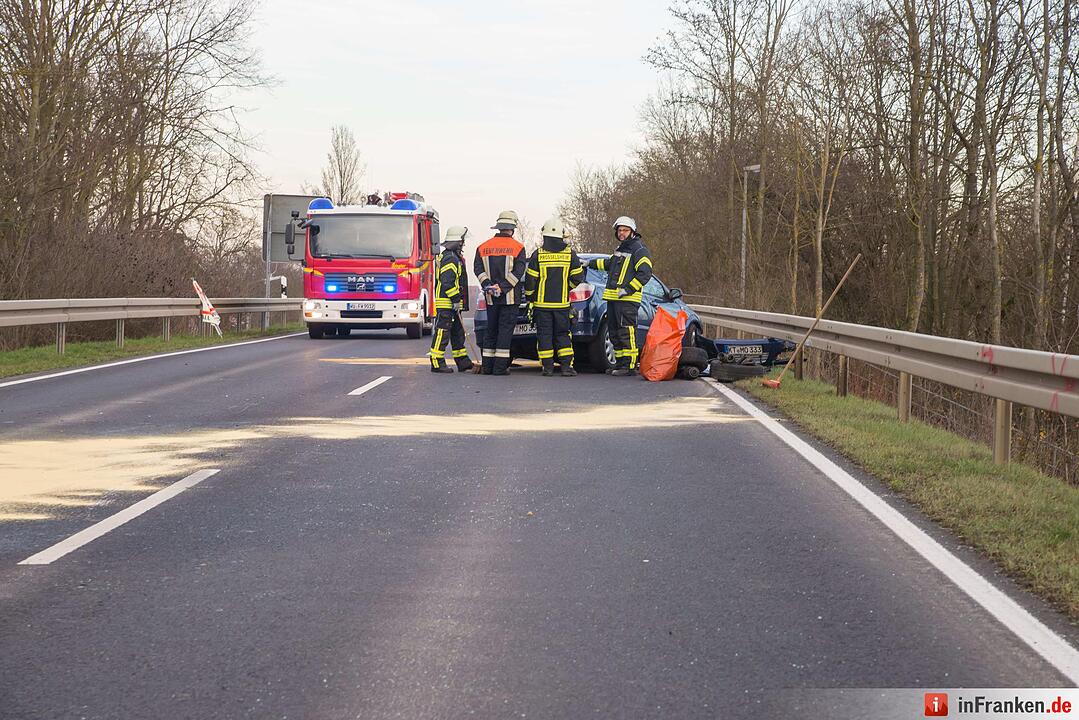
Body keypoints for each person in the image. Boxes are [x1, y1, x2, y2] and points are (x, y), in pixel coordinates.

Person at [587, 216, 653, 376]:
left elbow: (645, 274)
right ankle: (620, 364)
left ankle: (629, 367)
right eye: (620, 230)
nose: (622, 233)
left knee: (626, 331)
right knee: (614, 332)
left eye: (625, 230)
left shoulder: (639, 250)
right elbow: (608, 264)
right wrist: (589, 263)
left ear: (632, 232)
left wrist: (628, 289)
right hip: (613, 298)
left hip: (628, 299)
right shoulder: (621, 249)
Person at [524, 216, 586, 377]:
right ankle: (566, 368)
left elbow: (530, 281)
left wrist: (530, 297)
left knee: (544, 336)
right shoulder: (569, 254)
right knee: (563, 335)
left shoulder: (538, 255)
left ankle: (548, 368)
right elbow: (578, 277)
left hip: (542, 306)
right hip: (562, 306)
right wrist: (566, 288)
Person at [474, 210, 527, 375]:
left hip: (490, 298)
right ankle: (500, 368)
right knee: (505, 332)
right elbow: (518, 273)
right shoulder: (518, 248)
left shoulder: (482, 247)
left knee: (491, 330)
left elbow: (478, 269)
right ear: (512, 228)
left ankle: (488, 367)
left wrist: (489, 285)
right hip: (510, 299)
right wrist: (502, 288)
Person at [429, 226, 474, 373]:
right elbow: (447, 281)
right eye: (462, 241)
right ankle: (437, 362)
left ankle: (462, 361)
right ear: (458, 242)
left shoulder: (452, 256)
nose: (463, 244)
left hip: (453, 304)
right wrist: (455, 299)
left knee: (457, 333)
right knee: (442, 332)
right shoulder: (450, 258)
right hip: (447, 303)